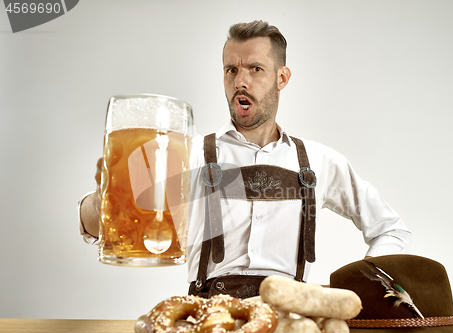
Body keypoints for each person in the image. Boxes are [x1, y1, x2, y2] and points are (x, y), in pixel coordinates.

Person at [78, 20, 412, 299]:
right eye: (231, 70)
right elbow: (98, 229)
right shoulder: (185, 155)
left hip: (292, 320)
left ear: (281, 78)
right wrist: (103, 199)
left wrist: (366, 290)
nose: (241, 81)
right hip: (206, 319)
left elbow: (390, 228)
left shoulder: (319, 162)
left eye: (255, 69)